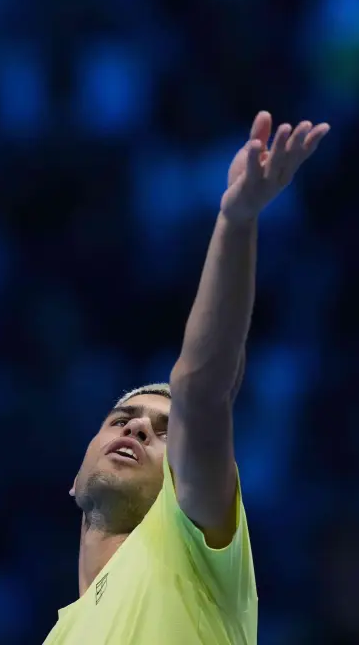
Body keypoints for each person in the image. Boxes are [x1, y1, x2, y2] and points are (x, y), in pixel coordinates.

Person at [43, 111, 330, 644]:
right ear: (74, 478)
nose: (136, 430)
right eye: (121, 419)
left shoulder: (190, 544)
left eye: (161, 429)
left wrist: (237, 219)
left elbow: (202, 391)